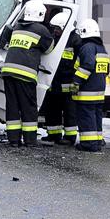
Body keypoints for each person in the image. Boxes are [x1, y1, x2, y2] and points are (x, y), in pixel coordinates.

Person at [0, 0, 53, 146]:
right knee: (28, 107)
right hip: (25, 74)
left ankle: (14, 140)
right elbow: (49, 49)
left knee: (12, 106)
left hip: (8, 72)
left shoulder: (16, 27)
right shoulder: (41, 30)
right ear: (40, 14)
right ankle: (29, 140)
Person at [72, 18, 110, 152]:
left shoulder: (87, 47)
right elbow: (107, 70)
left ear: (83, 32)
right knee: (96, 117)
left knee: (86, 117)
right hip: (99, 91)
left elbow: (87, 66)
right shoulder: (102, 49)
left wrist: (76, 81)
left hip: (87, 91)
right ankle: (97, 141)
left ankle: (89, 144)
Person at [42, 11, 79, 145]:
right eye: (54, 28)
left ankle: (70, 137)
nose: (55, 31)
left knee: (69, 111)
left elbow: (78, 62)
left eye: (57, 28)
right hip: (54, 81)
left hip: (68, 83)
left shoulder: (75, 40)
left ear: (65, 27)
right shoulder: (55, 38)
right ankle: (54, 134)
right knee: (52, 109)